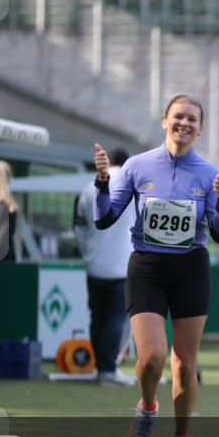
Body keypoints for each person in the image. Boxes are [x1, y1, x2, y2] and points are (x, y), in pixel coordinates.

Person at [93, 94, 219, 437]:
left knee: (185, 362)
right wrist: (103, 183)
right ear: (164, 120)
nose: (184, 123)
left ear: (200, 128)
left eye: (192, 119)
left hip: (190, 270)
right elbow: (105, 217)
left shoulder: (209, 173)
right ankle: (148, 408)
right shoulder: (137, 166)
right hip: (148, 269)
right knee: (152, 357)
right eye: (178, 117)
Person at [75, 147, 137, 387]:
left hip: (94, 265)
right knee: (115, 319)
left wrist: (88, 253)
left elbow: (79, 228)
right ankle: (108, 371)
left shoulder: (87, 188)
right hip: (122, 266)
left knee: (97, 317)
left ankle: (102, 368)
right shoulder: (132, 186)